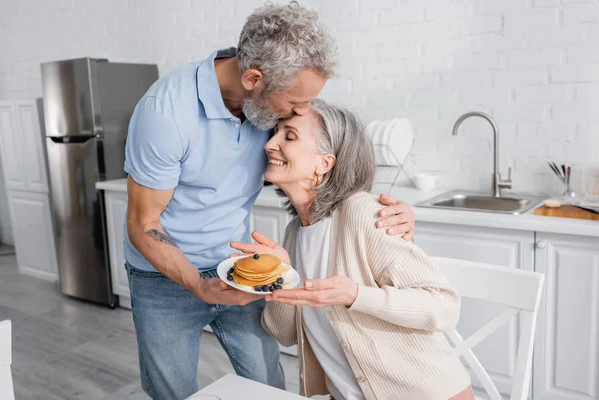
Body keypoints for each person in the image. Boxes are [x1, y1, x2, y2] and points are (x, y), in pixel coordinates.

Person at [123, 2, 416, 400]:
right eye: (295, 106)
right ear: (253, 78)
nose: (302, 113)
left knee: (267, 384)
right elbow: (144, 224)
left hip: (239, 266)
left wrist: (387, 210)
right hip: (164, 278)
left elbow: (331, 153)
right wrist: (198, 285)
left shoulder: (271, 103)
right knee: (172, 392)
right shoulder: (166, 113)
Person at [231, 98, 474, 400]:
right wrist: (280, 275)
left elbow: (445, 306)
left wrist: (356, 296)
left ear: (324, 163)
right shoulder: (295, 233)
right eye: (275, 134)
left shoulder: (362, 214)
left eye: (289, 136)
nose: (270, 144)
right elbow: (285, 334)